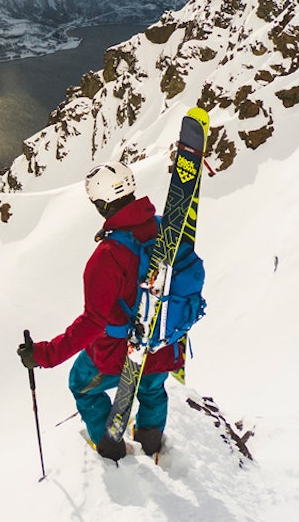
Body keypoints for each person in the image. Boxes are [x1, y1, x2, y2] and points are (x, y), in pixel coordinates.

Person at [17, 162, 190, 461]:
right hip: (163, 344)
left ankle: (111, 451)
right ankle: (151, 441)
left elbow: (92, 323)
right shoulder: (164, 229)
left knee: (81, 386)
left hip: (119, 354)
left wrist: (43, 355)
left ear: (101, 204)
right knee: (151, 386)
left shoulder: (107, 257)